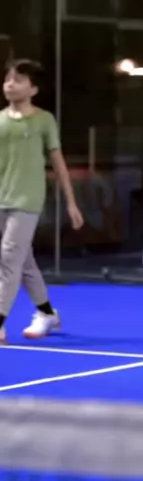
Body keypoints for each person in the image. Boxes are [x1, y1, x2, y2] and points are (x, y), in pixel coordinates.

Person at [0, 59, 84, 344]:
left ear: (33, 89)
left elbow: (58, 162)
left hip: (27, 200)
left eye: (18, 80)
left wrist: (71, 202)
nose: (10, 84)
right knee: (23, 262)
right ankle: (47, 313)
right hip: (1, 200)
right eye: (8, 79)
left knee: (9, 257)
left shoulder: (44, 120)